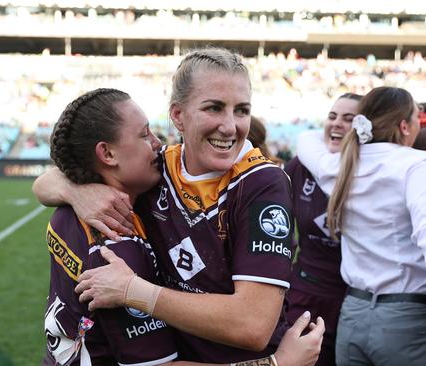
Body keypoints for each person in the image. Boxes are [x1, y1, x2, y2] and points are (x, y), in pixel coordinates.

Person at [33, 47, 323, 364]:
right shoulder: (157, 170)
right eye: (214, 108)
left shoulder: (262, 184)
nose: (230, 126)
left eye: (241, 110)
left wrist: (134, 291)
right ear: (177, 116)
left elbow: (252, 326)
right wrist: (76, 191)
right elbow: (52, 178)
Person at [296, 86, 426, 366]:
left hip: (353, 316)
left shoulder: (339, 164)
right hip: (407, 320)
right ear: (405, 126)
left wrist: (352, 137)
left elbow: (307, 137)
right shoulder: (418, 162)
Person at [284, 92, 361, 366]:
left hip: (356, 302)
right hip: (306, 293)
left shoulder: (372, 172)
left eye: (348, 119)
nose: (337, 123)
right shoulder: (301, 166)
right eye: (332, 116)